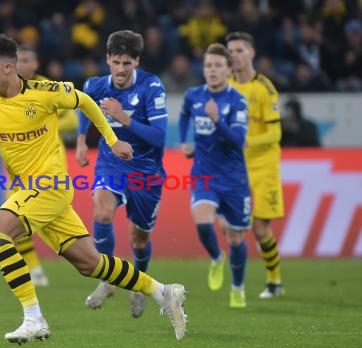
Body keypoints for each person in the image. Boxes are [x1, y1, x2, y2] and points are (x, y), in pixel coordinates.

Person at [0, 34, 188, 343]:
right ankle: (163, 293)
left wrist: (113, 140)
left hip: (49, 185)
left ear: (7, 68)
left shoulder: (44, 93)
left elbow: (86, 102)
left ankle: (33, 318)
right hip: (31, 190)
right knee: (91, 264)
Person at [75, 30, 168, 318]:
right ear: (107, 59)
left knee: (139, 239)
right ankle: (108, 278)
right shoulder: (96, 85)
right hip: (111, 163)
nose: (120, 69)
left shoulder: (152, 87)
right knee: (101, 213)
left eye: (127, 63)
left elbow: (159, 137)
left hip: (146, 170)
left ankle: (138, 285)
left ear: (136, 62)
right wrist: (81, 140)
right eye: (116, 62)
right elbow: (83, 105)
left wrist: (123, 117)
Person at [178, 43, 251, 308]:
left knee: (236, 237)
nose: (212, 70)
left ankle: (237, 287)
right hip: (204, 173)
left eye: (218, 66)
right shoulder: (193, 95)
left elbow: (238, 141)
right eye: (208, 65)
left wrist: (218, 120)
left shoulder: (237, 101)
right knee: (203, 223)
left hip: (233, 178)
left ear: (229, 70)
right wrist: (185, 141)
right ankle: (216, 258)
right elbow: (185, 114)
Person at [10, 45, 79, 287]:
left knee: (38, 222)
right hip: (18, 169)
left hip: (49, 167)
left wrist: (43, 125)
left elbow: (71, 118)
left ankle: (92, 263)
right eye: (17, 60)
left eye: (25, 60)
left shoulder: (48, 87)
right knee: (13, 223)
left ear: (35, 64)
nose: (20, 65)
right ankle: (36, 271)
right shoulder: (6, 92)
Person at [226, 32, 285, 299]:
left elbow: (275, 134)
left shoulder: (264, 88)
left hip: (263, 165)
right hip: (235, 167)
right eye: (231, 51)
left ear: (251, 53)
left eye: (239, 50)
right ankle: (237, 282)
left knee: (260, 228)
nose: (234, 55)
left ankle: (274, 280)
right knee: (231, 228)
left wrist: (248, 141)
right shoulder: (224, 87)